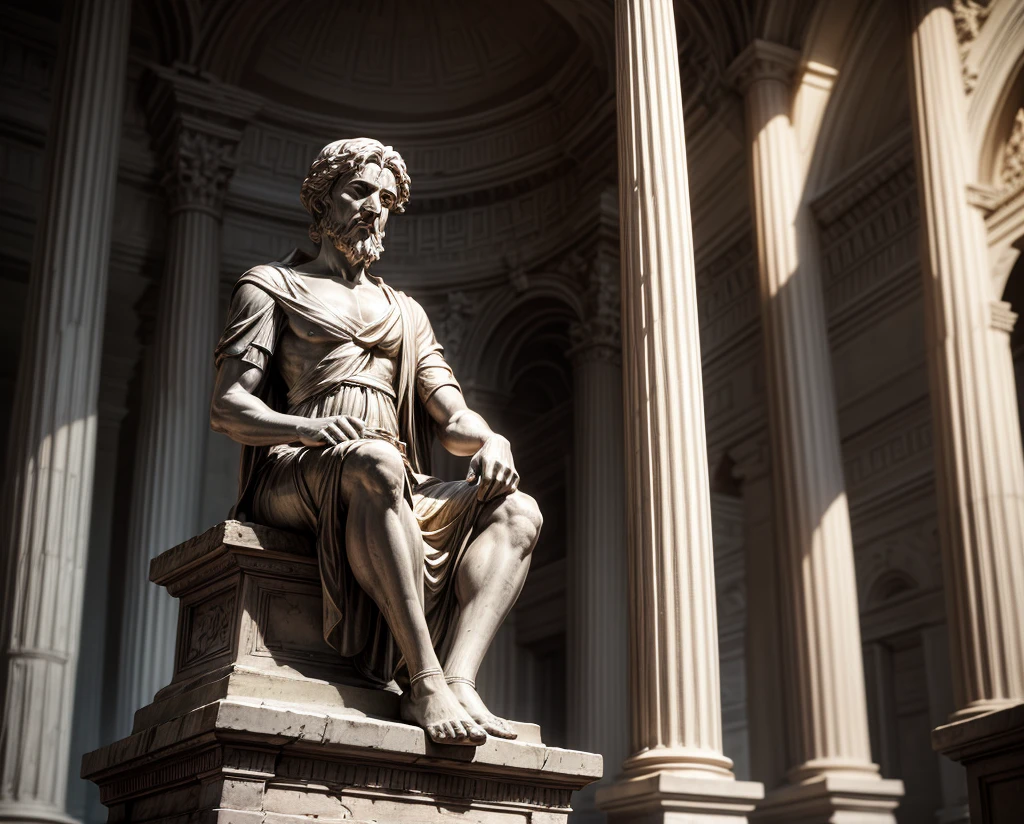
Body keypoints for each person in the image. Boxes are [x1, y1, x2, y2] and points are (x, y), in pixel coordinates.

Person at [210, 138, 541, 746]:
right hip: (295, 468)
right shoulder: (271, 286)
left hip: (384, 474)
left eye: (386, 199)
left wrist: (493, 438)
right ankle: (423, 679)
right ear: (321, 199)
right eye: (359, 191)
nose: (374, 208)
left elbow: (452, 415)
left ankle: (460, 680)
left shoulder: (405, 311)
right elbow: (228, 406)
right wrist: (306, 429)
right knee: (377, 462)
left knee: (518, 510)